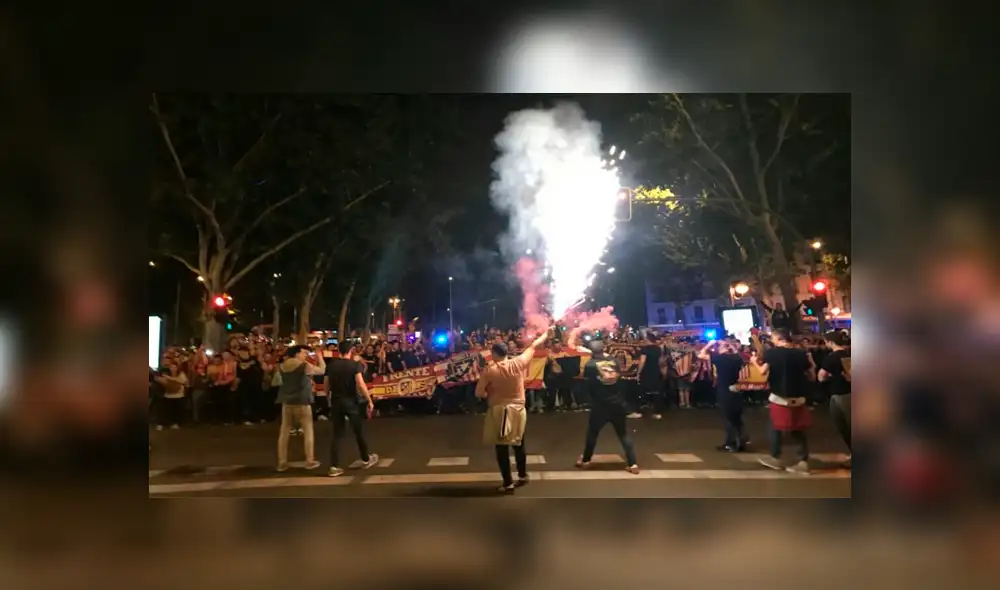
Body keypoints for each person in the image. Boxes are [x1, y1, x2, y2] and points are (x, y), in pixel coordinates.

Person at [475, 326, 554, 493]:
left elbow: (479, 393)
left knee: (501, 448)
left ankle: (508, 482)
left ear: (494, 354)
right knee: (519, 444)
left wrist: (490, 390)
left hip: (500, 410)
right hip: (519, 410)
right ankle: (523, 475)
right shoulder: (518, 362)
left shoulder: (489, 371)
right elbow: (533, 346)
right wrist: (547, 333)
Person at [752, 329, 815, 474]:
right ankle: (803, 460)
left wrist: (754, 362)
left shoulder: (772, 353)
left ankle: (775, 456)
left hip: (779, 396)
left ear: (778, 339)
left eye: (773, 338)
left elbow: (762, 371)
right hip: (799, 395)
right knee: (798, 428)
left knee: (775, 426)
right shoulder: (801, 354)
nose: (772, 341)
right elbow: (811, 374)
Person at [573, 336, 640, 474]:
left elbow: (588, 385)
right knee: (623, 434)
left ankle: (586, 461)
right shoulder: (614, 361)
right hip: (617, 404)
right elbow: (620, 378)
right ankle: (633, 464)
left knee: (592, 433)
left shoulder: (590, 365)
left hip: (600, 406)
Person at [324, 340, 379, 477]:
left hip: (336, 401)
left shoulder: (331, 366)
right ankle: (365, 458)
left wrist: (328, 398)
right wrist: (369, 400)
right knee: (358, 431)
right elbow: (360, 384)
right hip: (350, 401)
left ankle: (334, 466)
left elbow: (326, 385)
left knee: (337, 434)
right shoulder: (354, 365)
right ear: (350, 351)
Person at [274, 345, 326, 472]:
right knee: (308, 430)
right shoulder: (303, 365)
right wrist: (319, 357)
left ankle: (282, 462)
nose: (306, 355)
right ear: (296, 353)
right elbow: (322, 370)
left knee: (284, 431)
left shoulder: (282, 366)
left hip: (286, 401)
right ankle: (309, 460)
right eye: (304, 353)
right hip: (302, 401)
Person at [697, 337, 748, 452]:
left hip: (724, 390)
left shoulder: (719, 359)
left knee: (730, 418)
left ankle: (732, 444)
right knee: (737, 417)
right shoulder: (736, 358)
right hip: (736, 389)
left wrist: (709, 344)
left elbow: (701, 355)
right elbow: (737, 353)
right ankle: (740, 441)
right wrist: (729, 345)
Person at [818, 331, 851, 468]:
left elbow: (821, 377)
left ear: (831, 342)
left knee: (844, 425)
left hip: (840, 394)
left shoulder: (831, 358)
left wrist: (831, 377)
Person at [637, 332, 667, 419]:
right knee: (656, 393)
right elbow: (661, 362)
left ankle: (643, 411)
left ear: (647, 340)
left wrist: (638, 372)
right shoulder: (658, 349)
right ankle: (657, 412)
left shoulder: (645, 349)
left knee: (644, 392)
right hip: (656, 372)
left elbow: (642, 362)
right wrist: (663, 372)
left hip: (646, 373)